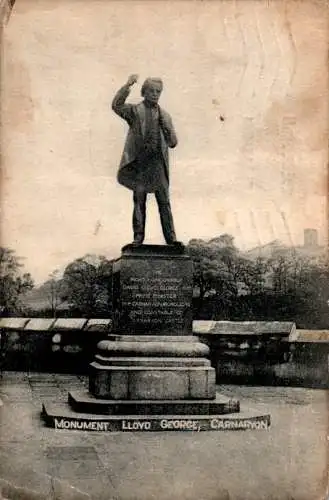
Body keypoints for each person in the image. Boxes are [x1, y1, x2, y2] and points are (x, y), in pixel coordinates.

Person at [112, 74, 179, 245]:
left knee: (164, 201)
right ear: (144, 92)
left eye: (158, 91)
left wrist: (166, 128)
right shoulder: (135, 112)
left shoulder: (165, 115)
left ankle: (171, 239)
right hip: (141, 164)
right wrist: (127, 85)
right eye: (152, 91)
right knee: (139, 200)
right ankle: (138, 238)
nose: (155, 94)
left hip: (158, 164)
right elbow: (116, 105)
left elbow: (173, 143)